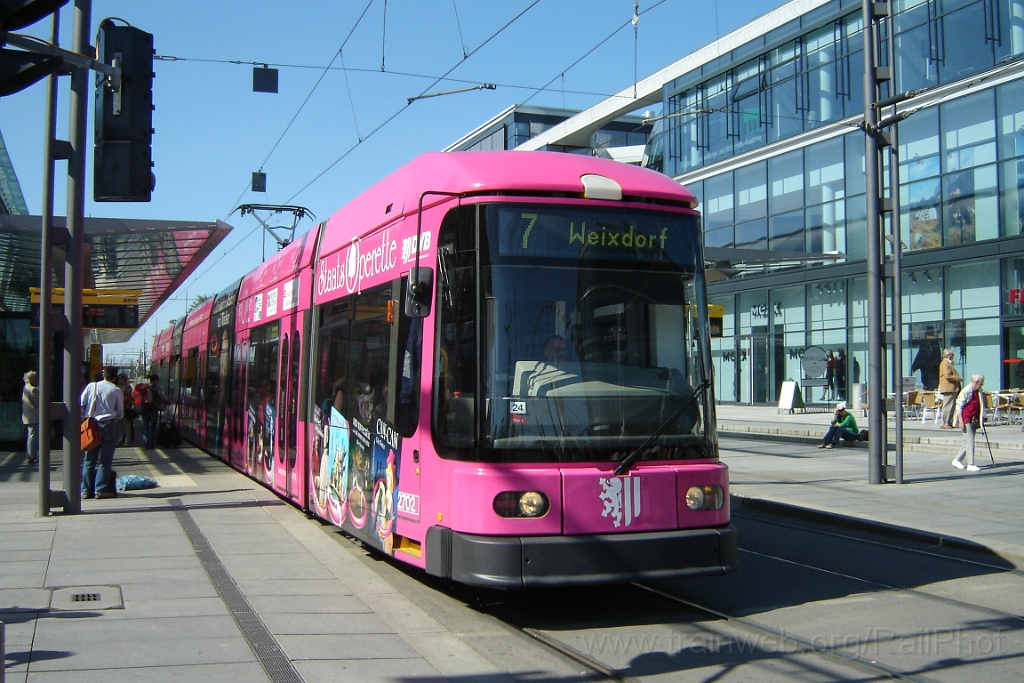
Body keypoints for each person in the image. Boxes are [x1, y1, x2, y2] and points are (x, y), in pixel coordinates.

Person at [80, 366, 124, 499]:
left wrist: (86, 418)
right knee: (105, 460)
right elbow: (120, 412)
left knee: (89, 459)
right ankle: (100, 489)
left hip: (91, 425)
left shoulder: (91, 386)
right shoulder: (116, 390)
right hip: (108, 425)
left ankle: (85, 490)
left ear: (103, 374)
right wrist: (112, 419)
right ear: (115, 377)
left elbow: (81, 403)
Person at [952, 373, 985, 472]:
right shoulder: (966, 390)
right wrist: (960, 421)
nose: (982, 385)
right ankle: (971, 463)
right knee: (970, 442)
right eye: (981, 383)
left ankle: (957, 460)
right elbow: (959, 406)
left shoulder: (978, 391)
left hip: (974, 419)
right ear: (976, 382)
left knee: (967, 441)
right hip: (966, 418)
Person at [138, 374, 167, 449]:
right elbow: (161, 398)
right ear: (156, 381)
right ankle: (152, 444)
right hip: (153, 410)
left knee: (146, 427)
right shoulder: (156, 388)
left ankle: (146, 445)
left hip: (143, 409)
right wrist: (169, 402)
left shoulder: (144, 387)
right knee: (153, 427)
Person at [937, 348, 962, 429]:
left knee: (951, 406)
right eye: (952, 354)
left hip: (952, 388)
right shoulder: (944, 363)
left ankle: (948, 422)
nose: (953, 356)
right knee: (948, 406)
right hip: (948, 388)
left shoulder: (949, 363)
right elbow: (947, 376)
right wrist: (957, 378)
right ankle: (945, 423)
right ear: (948, 355)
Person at [22, 370, 39, 465]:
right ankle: (32, 455)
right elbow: (39, 401)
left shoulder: (26, 388)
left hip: (29, 416)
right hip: (33, 416)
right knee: (33, 436)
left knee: (31, 435)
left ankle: (31, 455)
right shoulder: (32, 389)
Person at [117, 372, 136, 446]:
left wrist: (120, 402)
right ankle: (121, 439)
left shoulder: (127, 387)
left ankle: (127, 440)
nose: (118, 380)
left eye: (119, 378)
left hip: (126, 408)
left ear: (123, 379)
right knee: (120, 425)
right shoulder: (118, 386)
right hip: (119, 408)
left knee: (127, 425)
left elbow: (128, 397)